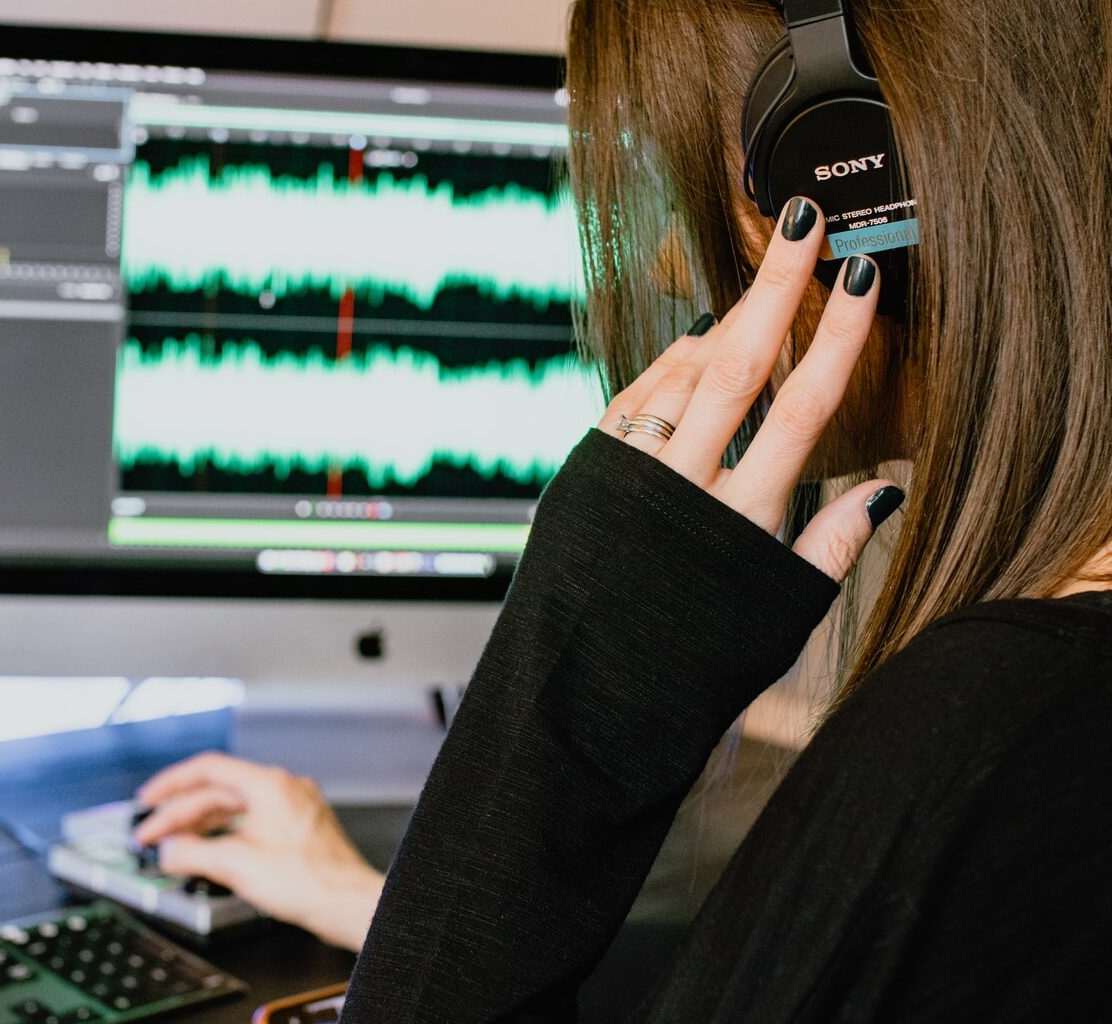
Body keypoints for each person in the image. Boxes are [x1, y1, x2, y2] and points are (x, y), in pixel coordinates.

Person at [143, 0, 1112, 1018]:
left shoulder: (992, 733)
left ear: (860, 174)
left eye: (697, 175)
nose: (658, 266)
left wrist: (579, 679)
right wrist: (408, 912)